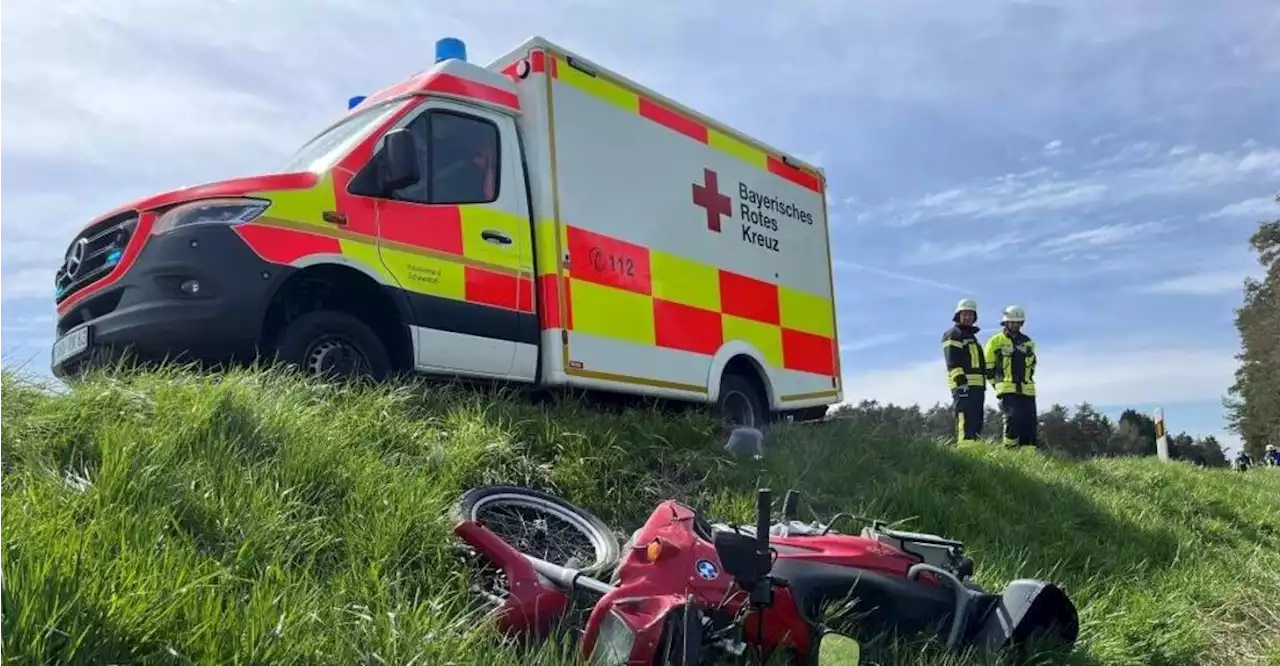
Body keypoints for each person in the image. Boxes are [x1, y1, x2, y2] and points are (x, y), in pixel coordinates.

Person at [985, 305, 1037, 448]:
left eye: (1018, 322)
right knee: (1012, 419)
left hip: (1027, 389)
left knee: (1030, 424)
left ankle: (1029, 457)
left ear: (1022, 323)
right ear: (1005, 322)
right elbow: (988, 368)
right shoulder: (995, 342)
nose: (1015, 325)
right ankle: (1010, 451)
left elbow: (1032, 365)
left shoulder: (1028, 342)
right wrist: (996, 385)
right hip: (1006, 389)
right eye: (1012, 322)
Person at [942, 298, 988, 444]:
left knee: (976, 421)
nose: (968, 317)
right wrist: (960, 382)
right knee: (965, 420)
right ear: (958, 316)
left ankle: (974, 452)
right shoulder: (953, 334)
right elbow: (952, 360)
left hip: (977, 388)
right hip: (963, 387)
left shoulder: (972, 338)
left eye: (971, 314)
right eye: (965, 314)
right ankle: (965, 454)